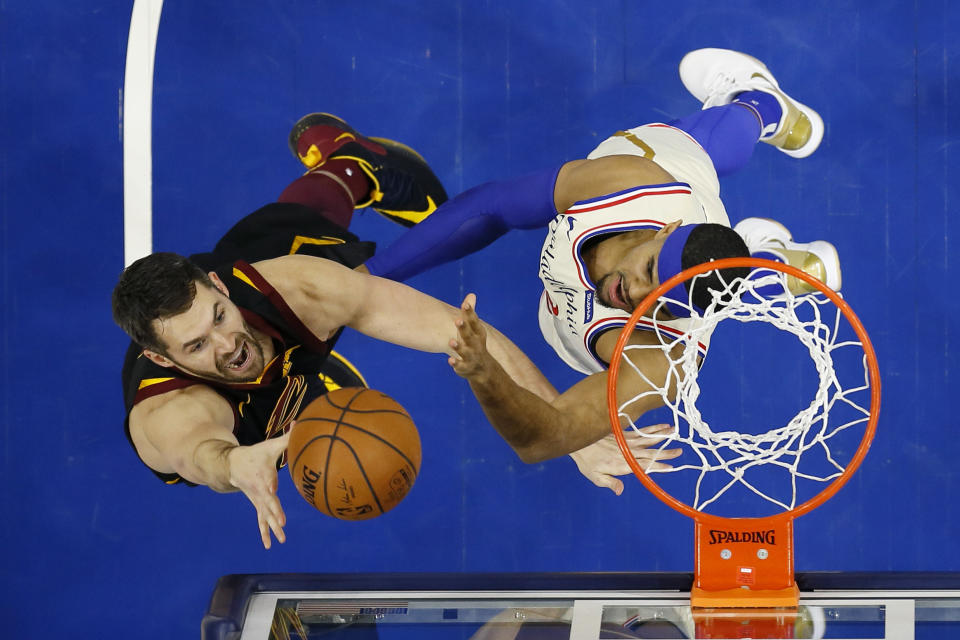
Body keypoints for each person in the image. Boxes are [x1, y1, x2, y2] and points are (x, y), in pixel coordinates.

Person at [114, 115, 668, 549]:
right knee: (339, 309)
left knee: (331, 260)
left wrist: (570, 433)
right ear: (164, 360)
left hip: (284, 294)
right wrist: (236, 463)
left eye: (217, 317)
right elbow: (203, 456)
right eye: (195, 346)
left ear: (219, 285)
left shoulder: (295, 289)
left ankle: (352, 165)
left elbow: (468, 334)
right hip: (249, 414)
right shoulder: (169, 413)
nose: (225, 343)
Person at [357, 48, 842, 464]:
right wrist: (373, 274)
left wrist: (487, 376)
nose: (635, 292)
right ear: (666, 230)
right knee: (704, 146)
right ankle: (763, 105)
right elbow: (492, 208)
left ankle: (770, 264)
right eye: (650, 269)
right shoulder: (632, 185)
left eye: (664, 302)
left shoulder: (665, 359)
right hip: (674, 170)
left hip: (568, 326)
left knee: (718, 288)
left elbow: (546, 438)